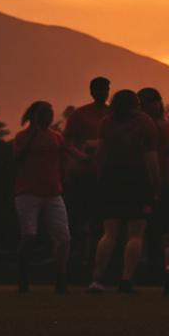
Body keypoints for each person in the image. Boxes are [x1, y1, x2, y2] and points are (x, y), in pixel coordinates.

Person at [89, 90, 165, 293]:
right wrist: (156, 186)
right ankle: (126, 279)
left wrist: (100, 180)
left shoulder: (106, 122)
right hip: (136, 182)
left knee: (109, 233)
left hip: (110, 181)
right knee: (136, 234)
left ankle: (97, 279)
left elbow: (100, 154)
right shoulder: (145, 123)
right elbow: (151, 159)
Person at [11, 101, 76, 294]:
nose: (48, 118)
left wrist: (86, 158)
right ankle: (23, 277)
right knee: (29, 235)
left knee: (63, 238)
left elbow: (69, 153)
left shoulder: (56, 137)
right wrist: (34, 135)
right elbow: (16, 160)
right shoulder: (22, 137)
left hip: (53, 194)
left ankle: (61, 277)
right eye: (44, 114)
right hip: (27, 194)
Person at [62, 77, 110, 282]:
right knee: (79, 222)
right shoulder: (80, 115)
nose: (103, 93)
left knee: (100, 224)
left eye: (106, 89)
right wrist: (81, 156)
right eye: (100, 89)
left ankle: (95, 266)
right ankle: (73, 267)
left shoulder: (112, 114)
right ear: (92, 91)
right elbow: (67, 142)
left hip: (106, 176)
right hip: (83, 175)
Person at [140, 88, 169, 287]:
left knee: (161, 230)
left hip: (168, 181)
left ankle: (160, 269)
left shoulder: (161, 124)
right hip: (159, 182)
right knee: (158, 231)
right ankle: (159, 270)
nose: (156, 105)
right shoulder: (154, 126)